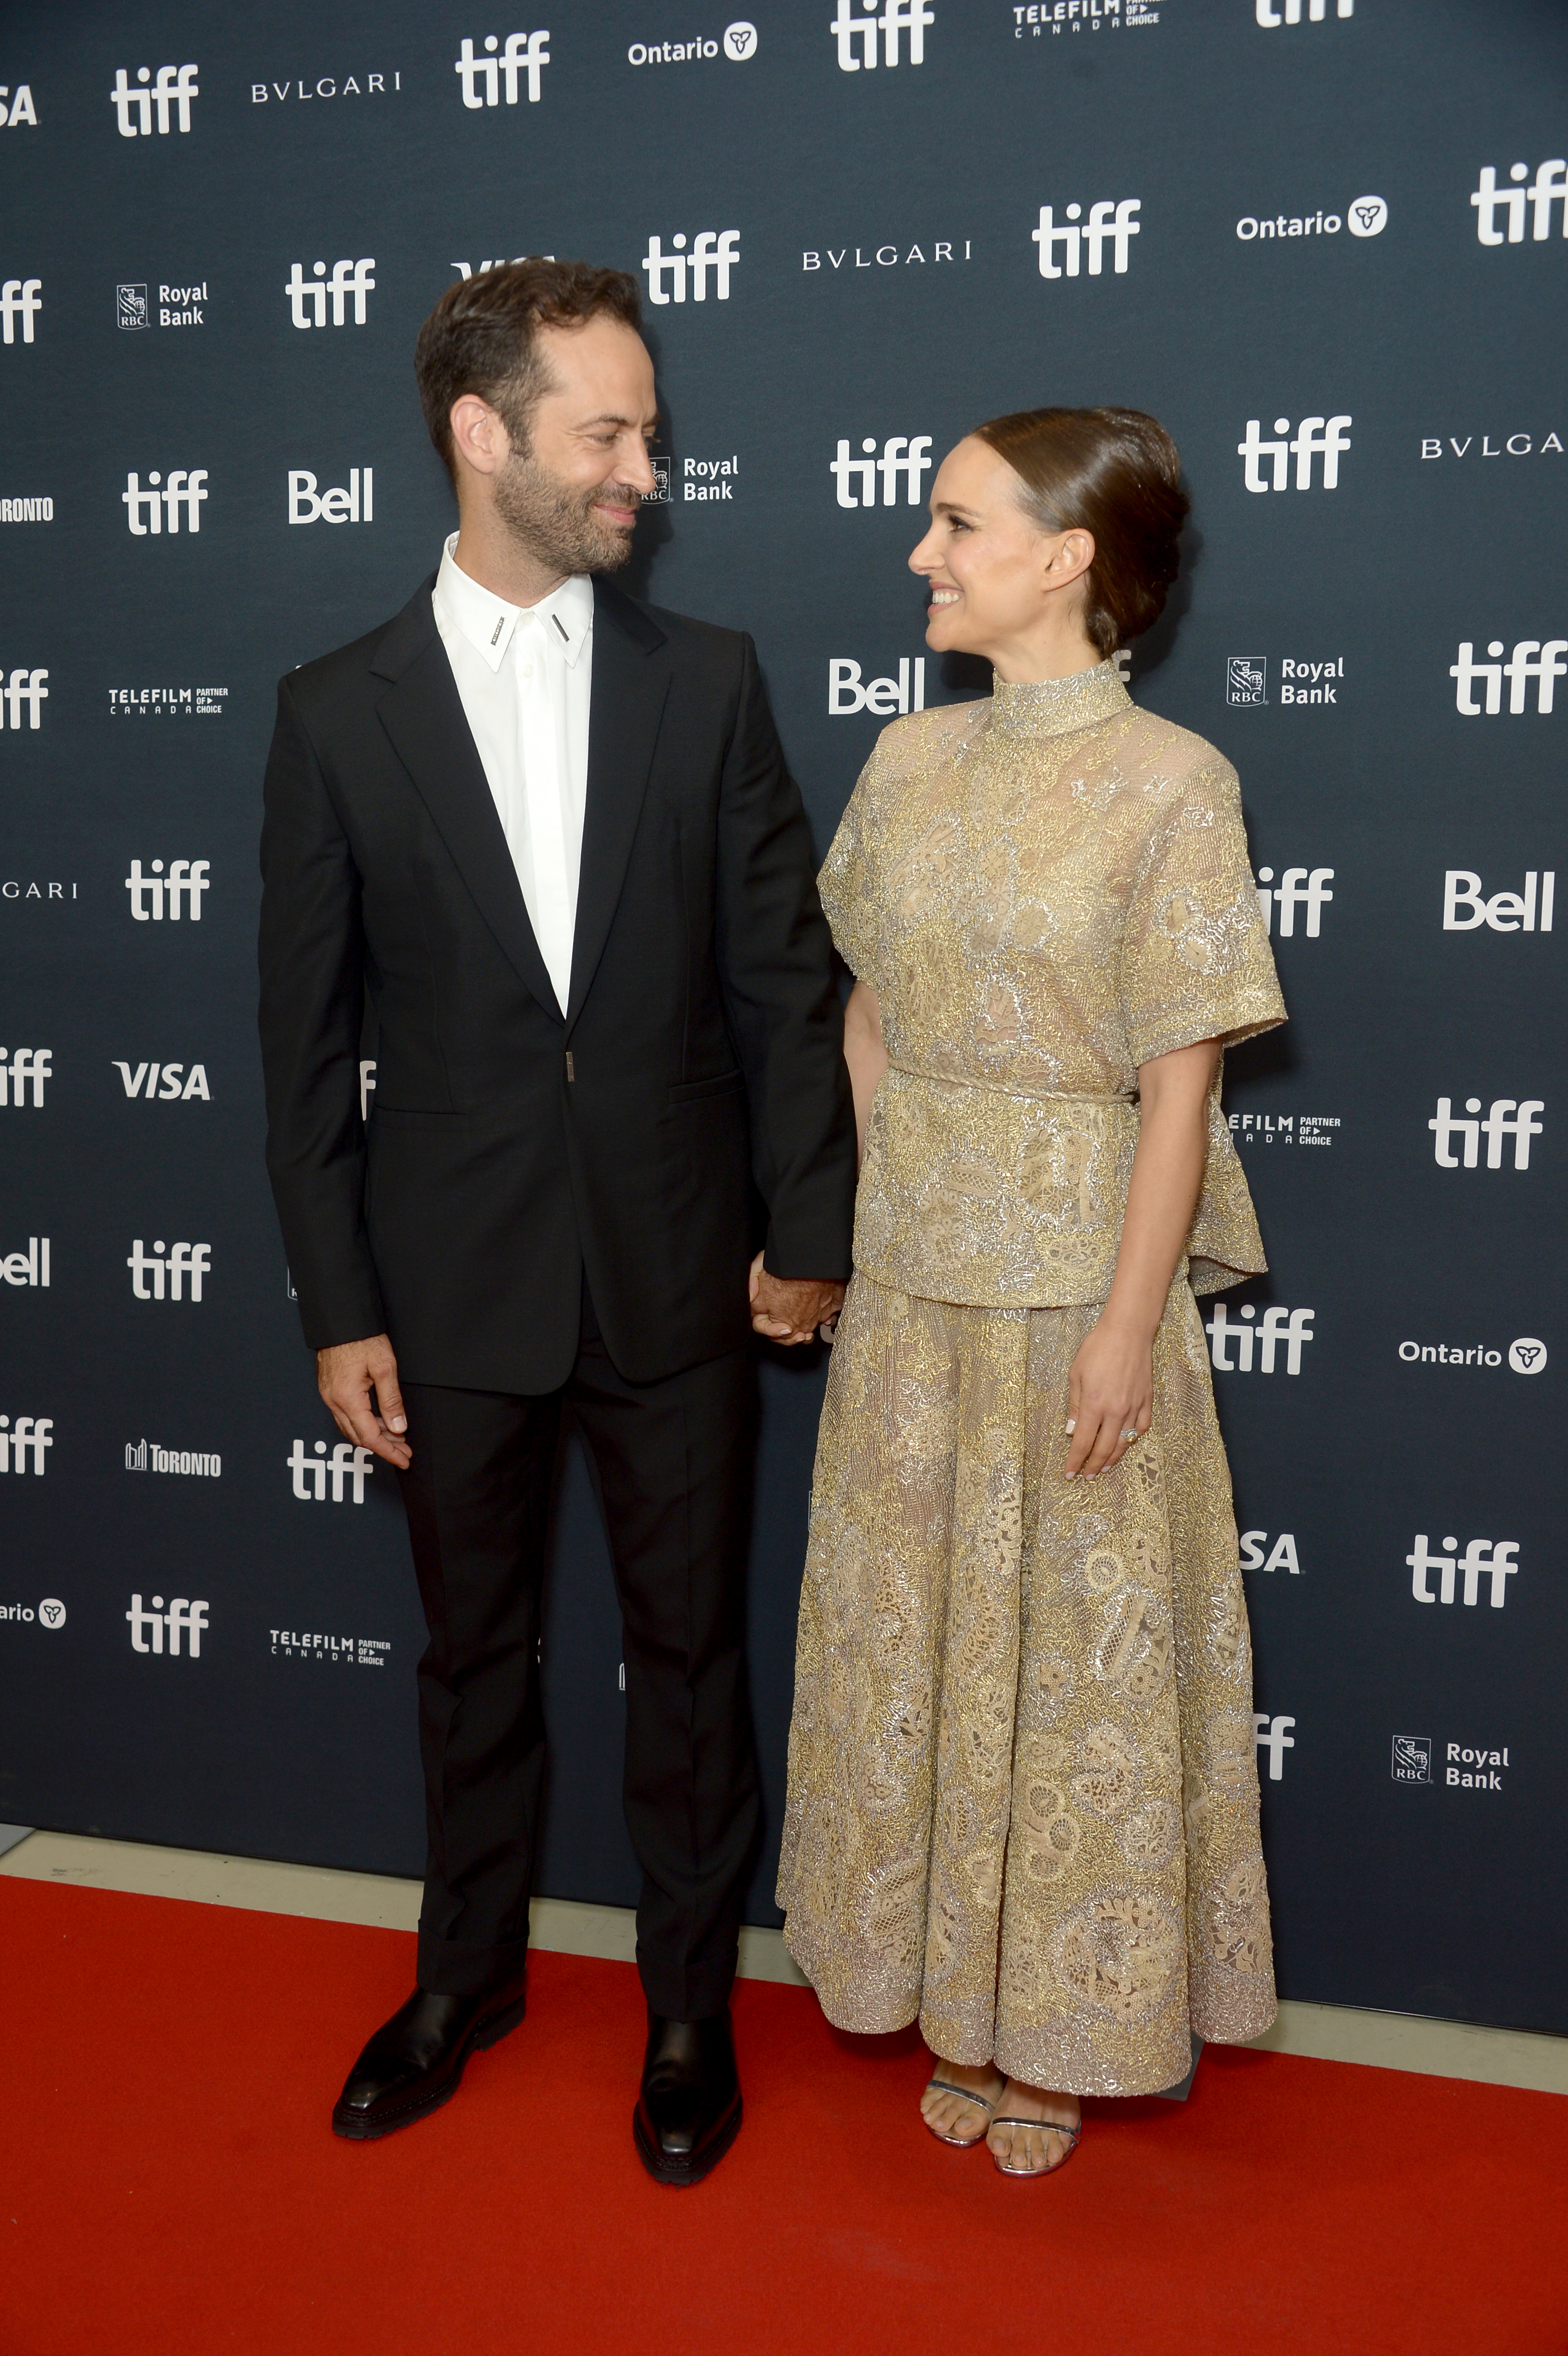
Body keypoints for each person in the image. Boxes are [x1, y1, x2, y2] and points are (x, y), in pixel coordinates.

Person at [258, 260, 856, 2182]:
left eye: (649, 431)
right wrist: (337, 1301)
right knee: (470, 1656)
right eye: (605, 430)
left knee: (691, 1659)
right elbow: (305, 1044)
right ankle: (467, 1977)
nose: (642, 469)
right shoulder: (331, 712)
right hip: (446, 1283)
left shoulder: (716, 681)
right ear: (482, 433)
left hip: (686, 1266)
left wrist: (807, 1224)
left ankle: (689, 2007)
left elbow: (782, 982)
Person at [777, 408, 1286, 2177]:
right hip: (921, 1288)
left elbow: (1180, 1084)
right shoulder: (905, 763)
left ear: (1070, 559)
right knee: (916, 1650)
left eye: (958, 525)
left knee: (1069, 1671)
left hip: (1080, 1285)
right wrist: (893, 1173)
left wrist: (1130, 1326)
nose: (924, 554)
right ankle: (937, 1983)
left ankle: (1061, 2028)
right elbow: (861, 1001)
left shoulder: (1174, 783)